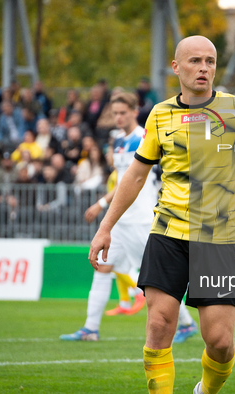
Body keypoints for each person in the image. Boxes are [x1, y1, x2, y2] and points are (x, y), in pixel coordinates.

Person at [87, 36, 235, 394]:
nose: (204, 68)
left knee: (219, 341)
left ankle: (205, 390)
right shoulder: (160, 114)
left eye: (210, 61)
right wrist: (105, 226)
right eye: (195, 61)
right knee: (158, 326)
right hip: (167, 234)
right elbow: (136, 174)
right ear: (176, 67)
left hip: (218, 239)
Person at [61, 92, 169, 340]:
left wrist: (100, 203)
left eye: (122, 113)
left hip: (143, 219)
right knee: (102, 268)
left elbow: (139, 179)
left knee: (160, 278)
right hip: (121, 222)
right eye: (114, 113)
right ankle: (90, 329)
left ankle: (185, 323)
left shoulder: (145, 137)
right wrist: (103, 204)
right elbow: (123, 183)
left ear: (134, 111)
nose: (118, 118)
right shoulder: (118, 141)